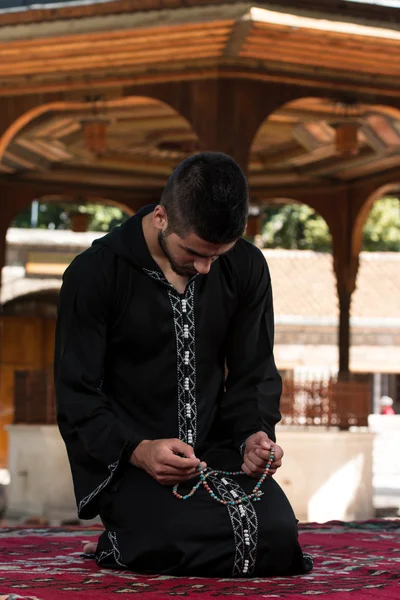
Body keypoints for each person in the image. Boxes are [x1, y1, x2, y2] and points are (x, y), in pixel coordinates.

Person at [54, 152, 313, 578]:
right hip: (134, 458)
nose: (206, 267)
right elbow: (76, 391)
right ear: (160, 217)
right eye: (193, 252)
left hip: (219, 452)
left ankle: (132, 536)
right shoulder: (94, 274)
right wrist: (138, 450)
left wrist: (254, 436)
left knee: (278, 537)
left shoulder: (246, 266)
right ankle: (121, 536)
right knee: (166, 541)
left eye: (218, 255)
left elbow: (254, 371)